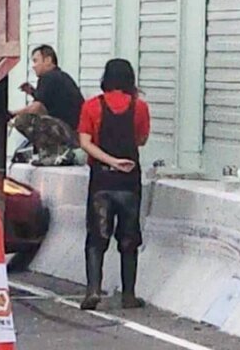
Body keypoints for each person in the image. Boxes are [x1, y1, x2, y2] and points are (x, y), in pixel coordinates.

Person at [76, 58, 151, 310]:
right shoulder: (140, 107)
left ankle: (93, 290)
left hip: (101, 181)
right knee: (129, 239)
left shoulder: (91, 106)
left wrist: (109, 161)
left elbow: (85, 142)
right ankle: (128, 295)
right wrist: (122, 162)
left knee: (97, 238)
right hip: (129, 182)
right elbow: (141, 140)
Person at [10, 45, 85, 165]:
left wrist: (11, 114)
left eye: (36, 61)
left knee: (23, 120)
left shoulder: (47, 78)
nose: (33, 66)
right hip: (76, 133)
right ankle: (55, 152)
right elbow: (51, 104)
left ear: (48, 60)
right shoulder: (60, 76)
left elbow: (37, 107)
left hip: (68, 134)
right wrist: (33, 92)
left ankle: (54, 153)